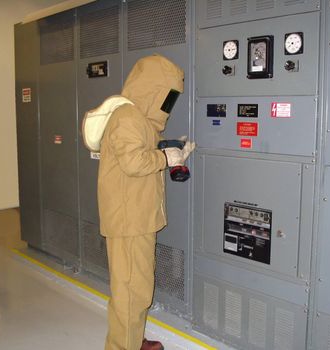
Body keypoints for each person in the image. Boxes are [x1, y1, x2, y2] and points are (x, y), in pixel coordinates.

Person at [97, 55, 194, 350]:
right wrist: (166, 157)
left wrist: (172, 152)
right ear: (152, 89)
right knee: (130, 292)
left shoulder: (141, 121)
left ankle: (132, 340)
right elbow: (133, 162)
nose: (167, 105)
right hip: (129, 222)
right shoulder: (127, 117)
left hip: (138, 218)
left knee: (137, 288)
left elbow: (143, 156)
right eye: (166, 97)